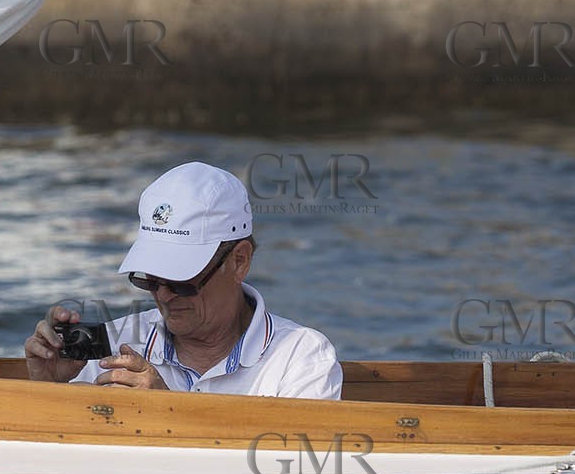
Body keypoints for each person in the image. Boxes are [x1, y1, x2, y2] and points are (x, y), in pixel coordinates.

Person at [26, 161, 342, 399]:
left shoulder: (302, 356)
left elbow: (289, 471)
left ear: (239, 262)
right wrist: (49, 389)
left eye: (181, 281)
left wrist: (172, 412)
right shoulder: (110, 342)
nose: (163, 295)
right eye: (149, 279)